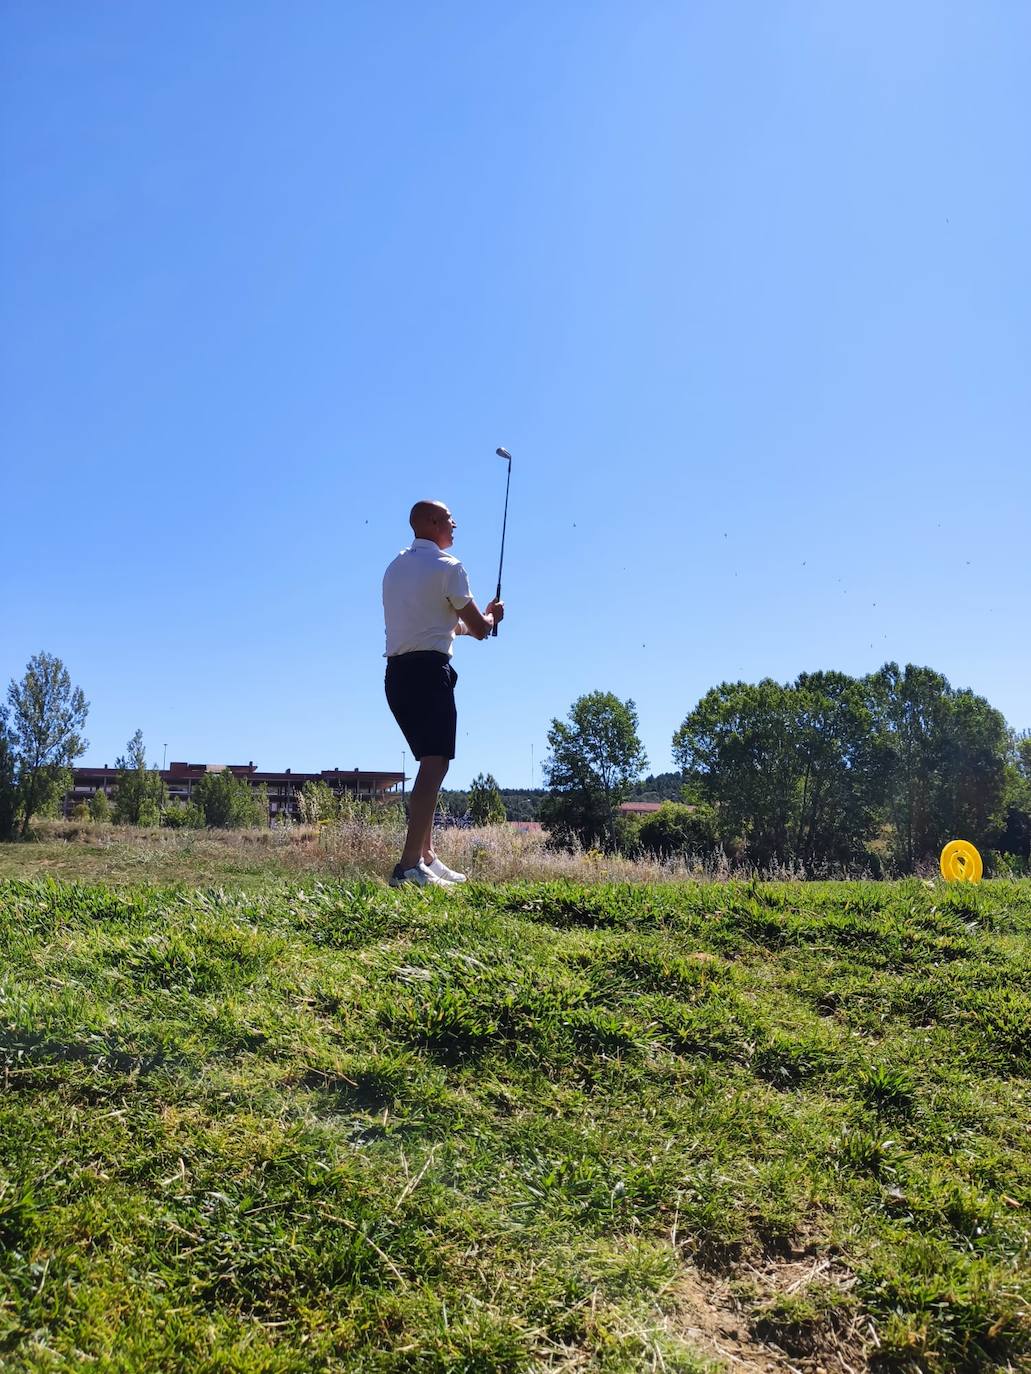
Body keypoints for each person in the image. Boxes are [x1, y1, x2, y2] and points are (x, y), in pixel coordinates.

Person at [382, 499, 504, 887]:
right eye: (450, 520)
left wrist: (476, 623)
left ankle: (426, 856)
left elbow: (448, 627)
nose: (455, 526)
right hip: (429, 674)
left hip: (398, 676)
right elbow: (480, 628)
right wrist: (491, 618)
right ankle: (407, 867)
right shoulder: (450, 568)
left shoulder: (395, 568)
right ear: (433, 522)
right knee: (434, 765)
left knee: (428, 765)